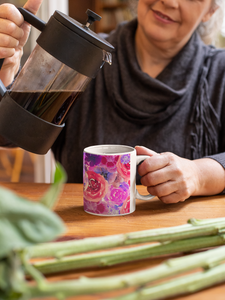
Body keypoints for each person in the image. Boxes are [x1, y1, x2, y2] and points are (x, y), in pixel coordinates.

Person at [0, 0, 225, 204]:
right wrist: (5, 73)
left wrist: (199, 174)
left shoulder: (220, 73)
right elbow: (8, 132)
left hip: (181, 241)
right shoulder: (83, 57)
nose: (169, 1)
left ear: (211, 10)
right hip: (82, 236)